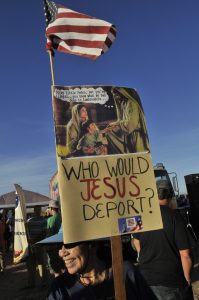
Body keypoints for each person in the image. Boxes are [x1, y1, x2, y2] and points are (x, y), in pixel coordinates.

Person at [38, 228, 157, 299]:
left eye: (69, 244)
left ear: (92, 244)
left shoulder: (126, 273)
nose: (61, 253)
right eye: (59, 245)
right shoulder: (60, 289)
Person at [133, 179, 193, 300]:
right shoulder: (175, 217)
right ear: (170, 195)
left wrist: (142, 256)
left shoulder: (143, 216)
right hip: (170, 282)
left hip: (145, 281)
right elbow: (185, 254)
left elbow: (136, 241)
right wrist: (187, 280)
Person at [105, 87, 150, 154]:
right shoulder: (123, 103)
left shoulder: (131, 103)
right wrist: (113, 124)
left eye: (116, 93)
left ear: (122, 93)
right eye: (113, 94)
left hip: (135, 133)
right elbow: (122, 120)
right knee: (108, 132)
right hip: (127, 130)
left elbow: (130, 124)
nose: (114, 96)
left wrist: (116, 125)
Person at [25, 206, 48, 288]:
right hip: (31, 246)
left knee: (41, 264)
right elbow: (26, 233)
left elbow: (44, 234)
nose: (37, 211)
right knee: (31, 265)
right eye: (36, 209)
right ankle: (31, 283)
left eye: (38, 209)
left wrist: (33, 240)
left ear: (40, 210)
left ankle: (44, 283)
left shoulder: (43, 221)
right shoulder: (29, 221)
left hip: (39, 245)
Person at [46, 199, 64, 277]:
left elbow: (49, 235)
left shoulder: (50, 220)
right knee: (64, 268)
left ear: (52, 208)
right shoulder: (63, 217)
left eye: (48, 207)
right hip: (63, 246)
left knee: (56, 270)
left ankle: (59, 286)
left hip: (54, 247)